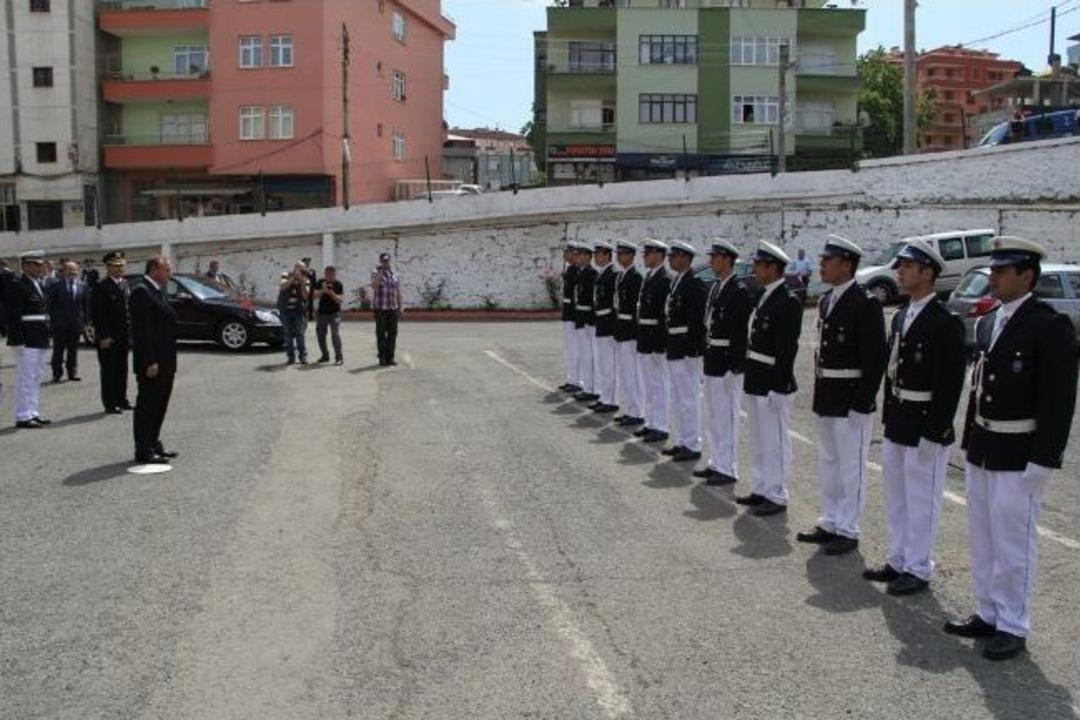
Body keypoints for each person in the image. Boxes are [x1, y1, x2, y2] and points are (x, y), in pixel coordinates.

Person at [945, 236, 1078, 662]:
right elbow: (977, 387)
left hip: (1020, 449)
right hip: (985, 444)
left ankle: (1013, 624)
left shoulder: (1048, 326)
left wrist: (1044, 458)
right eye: (994, 270)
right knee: (982, 535)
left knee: (1013, 542)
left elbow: (1059, 400)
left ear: (1027, 275)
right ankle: (987, 610)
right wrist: (969, 442)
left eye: (1003, 271)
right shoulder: (990, 322)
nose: (995, 277)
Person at [863, 238, 966, 596]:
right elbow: (893, 373)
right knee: (897, 495)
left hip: (925, 422)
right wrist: (889, 417)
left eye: (908, 266)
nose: (900, 272)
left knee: (922, 499)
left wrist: (935, 431)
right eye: (900, 266)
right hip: (900, 419)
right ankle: (898, 559)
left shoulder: (945, 322)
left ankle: (919, 567)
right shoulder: (903, 315)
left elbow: (950, 385)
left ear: (928, 273)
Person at [797, 235, 886, 556]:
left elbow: (875, 358)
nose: (821, 265)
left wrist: (862, 401)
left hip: (851, 397)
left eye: (827, 260)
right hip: (828, 393)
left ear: (846, 264)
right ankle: (830, 519)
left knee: (851, 465)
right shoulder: (826, 301)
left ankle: (848, 528)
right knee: (829, 461)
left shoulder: (866, 303)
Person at [738, 241, 802, 516]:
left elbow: (787, 348)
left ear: (772, 268)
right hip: (756, 376)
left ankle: (776, 493)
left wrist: (779, 384)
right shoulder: (764, 295)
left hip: (772, 379)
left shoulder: (787, 300)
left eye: (758, 265)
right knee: (759, 437)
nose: (754, 269)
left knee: (774, 440)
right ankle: (761, 486)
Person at [694, 239, 753, 486]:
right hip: (713, 359)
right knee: (713, 414)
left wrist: (735, 365)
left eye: (715, 257)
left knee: (726, 417)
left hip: (727, 362)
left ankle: (727, 467)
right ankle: (716, 461)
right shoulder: (717, 288)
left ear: (728, 260)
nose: (711, 262)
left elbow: (741, 332)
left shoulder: (738, 291)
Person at [660, 240, 707, 462]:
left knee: (689, 399)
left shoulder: (694, 283)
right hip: (674, 344)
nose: (670, 259)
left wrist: (693, 349)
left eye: (674, 256)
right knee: (677, 397)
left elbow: (697, 320)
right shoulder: (677, 282)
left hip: (686, 347)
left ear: (686, 258)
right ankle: (681, 440)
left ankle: (693, 442)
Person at [130, 256, 178, 464]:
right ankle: (143, 449)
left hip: (166, 360)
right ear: (154, 270)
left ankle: (154, 442)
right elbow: (142, 331)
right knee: (147, 406)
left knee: (160, 405)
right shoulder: (141, 292)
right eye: (166, 269)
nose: (169, 273)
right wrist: (149, 361)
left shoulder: (158, 291)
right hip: (153, 362)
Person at [6, 251, 53, 429]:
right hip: (27, 338)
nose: (40, 268)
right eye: (35, 265)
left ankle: (33, 412)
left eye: (40, 265)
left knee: (35, 376)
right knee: (25, 377)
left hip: (39, 337)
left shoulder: (37, 284)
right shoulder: (17, 285)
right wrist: (18, 339)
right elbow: (13, 315)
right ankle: (22, 415)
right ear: (25, 266)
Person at [634, 239, 671, 444]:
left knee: (659, 385)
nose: (644, 256)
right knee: (649, 384)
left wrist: (660, 341)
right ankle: (651, 422)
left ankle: (661, 425)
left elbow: (663, 314)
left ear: (658, 255)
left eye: (648, 253)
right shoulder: (649, 277)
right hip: (646, 337)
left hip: (656, 339)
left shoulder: (664, 280)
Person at [91, 251, 132, 414]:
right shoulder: (101, 287)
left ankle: (122, 399)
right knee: (109, 370)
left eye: (121, 266)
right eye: (115, 266)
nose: (119, 269)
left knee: (122, 369)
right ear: (108, 268)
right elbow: (98, 314)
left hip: (123, 335)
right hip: (109, 336)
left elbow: (127, 311)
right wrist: (103, 336)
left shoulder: (124, 284)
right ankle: (110, 403)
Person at [611, 240, 644, 428]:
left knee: (633, 373)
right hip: (621, 329)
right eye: (618, 254)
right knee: (625, 373)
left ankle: (637, 412)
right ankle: (630, 409)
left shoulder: (636, 278)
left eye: (623, 253)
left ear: (631, 256)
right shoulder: (622, 276)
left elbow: (635, 310)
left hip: (630, 331)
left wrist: (633, 330)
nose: (619, 257)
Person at [46, 260, 88, 383]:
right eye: (69, 270)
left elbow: (85, 306)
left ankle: (72, 373)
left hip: (75, 324)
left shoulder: (82, 286)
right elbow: (50, 305)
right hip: (60, 324)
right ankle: (57, 373)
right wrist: (53, 320)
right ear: (63, 271)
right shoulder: (56, 285)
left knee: (73, 350)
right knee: (58, 350)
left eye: (75, 270)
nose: (72, 272)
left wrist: (85, 322)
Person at [590, 241, 619, 413]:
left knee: (609, 365)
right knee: (603, 363)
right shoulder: (603, 274)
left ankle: (611, 399)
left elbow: (614, 304)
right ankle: (605, 396)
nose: (595, 257)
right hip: (601, 322)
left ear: (606, 255)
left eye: (598, 254)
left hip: (608, 324)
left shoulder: (612, 274)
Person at [571, 243, 599, 402]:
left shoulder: (592, 274)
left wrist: (589, 320)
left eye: (582, 255)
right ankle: (587, 387)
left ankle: (593, 388)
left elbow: (593, 300)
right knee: (585, 354)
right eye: (577, 255)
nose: (579, 258)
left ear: (589, 257)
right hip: (581, 318)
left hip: (589, 319)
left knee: (591, 356)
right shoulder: (580, 273)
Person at [371, 252, 403, 366]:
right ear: (380, 261)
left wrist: (400, 307)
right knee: (380, 334)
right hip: (380, 309)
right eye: (384, 261)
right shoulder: (375, 273)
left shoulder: (395, 274)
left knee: (393, 333)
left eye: (387, 261)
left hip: (392, 308)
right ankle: (382, 358)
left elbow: (398, 292)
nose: (386, 263)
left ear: (390, 261)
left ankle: (390, 358)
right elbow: (374, 287)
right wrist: (380, 273)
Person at [559, 244, 582, 394]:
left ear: (575, 254)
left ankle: (578, 380)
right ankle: (571, 378)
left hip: (574, 314)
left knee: (576, 349)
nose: (564, 255)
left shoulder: (578, 271)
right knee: (569, 349)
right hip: (568, 313)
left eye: (567, 252)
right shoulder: (569, 270)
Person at [278, 262, 310, 365]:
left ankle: (303, 356)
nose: (301, 271)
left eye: (302, 269)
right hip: (285, 311)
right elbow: (283, 287)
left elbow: (305, 296)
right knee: (288, 334)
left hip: (298, 311)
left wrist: (302, 282)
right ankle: (290, 357)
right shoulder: (286, 275)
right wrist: (293, 279)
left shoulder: (305, 278)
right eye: (299, 268)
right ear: (295, 268)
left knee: (300, 334)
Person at [315, 266, 345, 365]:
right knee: (320, 336)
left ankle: (339, 358)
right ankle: (325, 355)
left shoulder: (338, 284)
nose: (329, 277)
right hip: (322, 314)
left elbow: (340, 300)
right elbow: (314, 296)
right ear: (324, 274)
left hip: (334, 314)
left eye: (331, 275)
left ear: (335, 275)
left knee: (335, 335)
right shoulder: (320, 282)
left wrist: (331, 293)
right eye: (327, 275)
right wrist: (323, 290)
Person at [302, 257, 318, 321]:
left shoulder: (312, 271)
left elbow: (314, 280)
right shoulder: (301, 271)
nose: (307, 263)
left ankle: (310, 317)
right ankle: (303, 316)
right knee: (303, 302)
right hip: (303, 289)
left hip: (311, 289)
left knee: (310, 303)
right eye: (306, 262)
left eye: (308, 262)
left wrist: (315, 289)